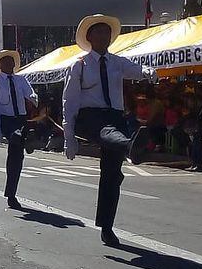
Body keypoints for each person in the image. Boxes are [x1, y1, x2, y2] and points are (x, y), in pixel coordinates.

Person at [62, 14, 156, 246]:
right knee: (109, 134)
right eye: (99, 32)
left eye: (107, 32)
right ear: (89, 37)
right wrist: (68, 137)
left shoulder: (117, 62)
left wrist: (147, 72)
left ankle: (106, 226)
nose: (104, 36)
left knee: (112, 175)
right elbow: (69, 102)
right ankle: (130, 146)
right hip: (91, 117)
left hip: (115, 116)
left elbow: (136, 69)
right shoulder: (79, 65)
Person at [0, 50, 38, 209]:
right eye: (5, 61)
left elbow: (30, 92)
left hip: (20, 118)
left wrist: (33, 97)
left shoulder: (21, 79)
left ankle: (11, 194)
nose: (9, 64)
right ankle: (26, 140)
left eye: (11, 61)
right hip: (6, 120)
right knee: (16, 137)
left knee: (16, 159)